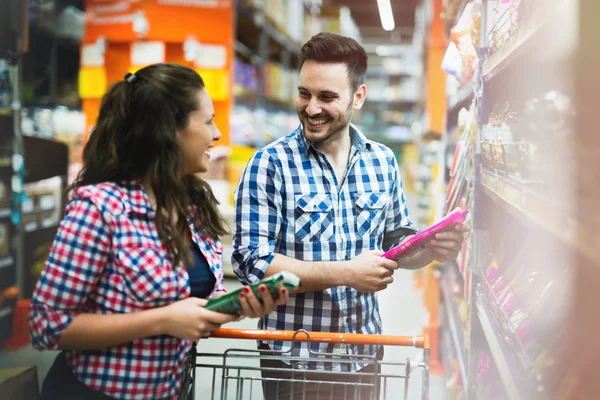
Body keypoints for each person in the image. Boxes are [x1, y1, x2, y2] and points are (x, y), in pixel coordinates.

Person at [28, 63, 289, 400]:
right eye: (207, 121)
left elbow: (195, 303)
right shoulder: (100, 207)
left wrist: (238, 305)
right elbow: (45, 325)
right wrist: (162, 320)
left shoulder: (193, 204)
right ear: (169, 130)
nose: (217, 133)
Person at [232, 33, 469, 399]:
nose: (311, 108)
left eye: (327, 97)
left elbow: (396, 244)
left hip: (364, 358)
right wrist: (345, 273)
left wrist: (433, 248)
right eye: (304, 94)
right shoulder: (269, 165)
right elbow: (252, 267)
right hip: (295, 362)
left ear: (358, 97)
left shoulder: (382, 162)